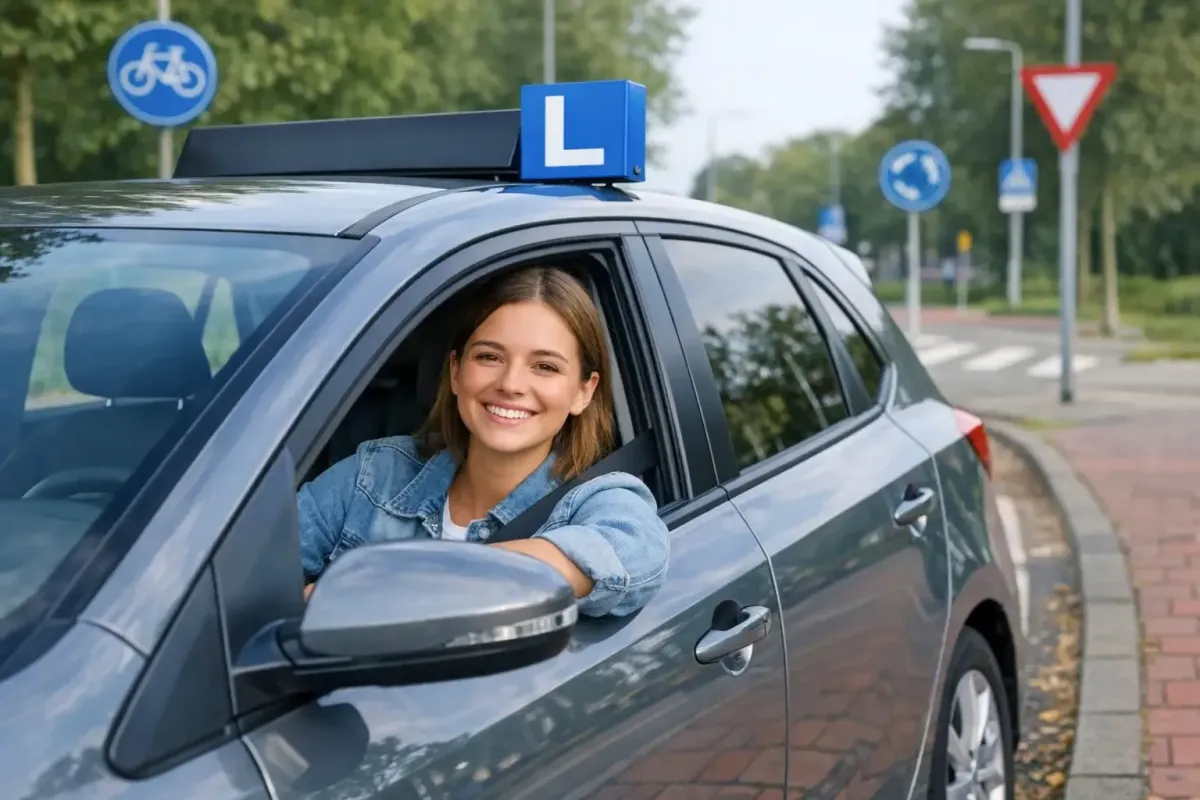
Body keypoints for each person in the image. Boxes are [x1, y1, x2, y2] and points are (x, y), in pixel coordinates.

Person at [296, 266, 670, 618]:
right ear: (456, 371)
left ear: (583, 392)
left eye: (545, 367)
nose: (510, 384)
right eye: (490, 356)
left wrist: (381, 589)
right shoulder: (375, 474)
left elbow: (635, 555)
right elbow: (250, 570)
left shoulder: (597, 502)